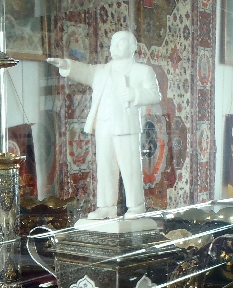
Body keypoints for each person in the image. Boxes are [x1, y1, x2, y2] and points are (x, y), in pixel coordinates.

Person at [47, 31, 161, 219]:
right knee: (105, 167)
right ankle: (106, 206)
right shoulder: (101, 71)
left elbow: (155, 95)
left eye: (120, 42)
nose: (115, 46)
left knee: (130, 167)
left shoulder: (142, 71)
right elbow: (84, 71)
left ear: (133, 47)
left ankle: (136, 206)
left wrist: (134, 94)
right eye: (113, 43)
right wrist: (67, 65)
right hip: (103, 125)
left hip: (126, 125)